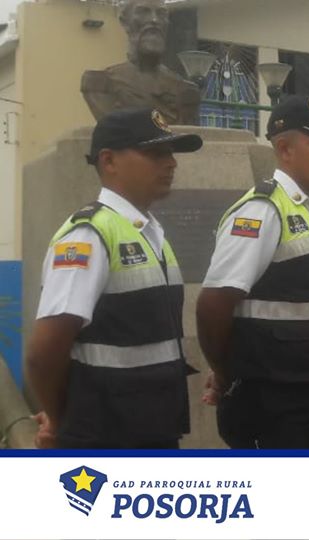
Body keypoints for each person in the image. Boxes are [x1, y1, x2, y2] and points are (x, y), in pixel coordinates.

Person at [26, 107, 203, 448]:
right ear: (109, 161)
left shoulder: (149, 232)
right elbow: (44, 352)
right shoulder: (88, 235)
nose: (171, 163)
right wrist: (61, 419)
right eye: (155, 153)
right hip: (106, 438)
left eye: (170, 153)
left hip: (154, 429)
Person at [196, 95, 309, 449]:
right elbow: (213, 304)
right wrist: (226, 373)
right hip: (271, 400)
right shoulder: (262, 210)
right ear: (284, 148)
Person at [81, 0, 200, 124]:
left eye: (161, 13)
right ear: (124, 22)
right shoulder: (99, 83)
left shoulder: (185, 90)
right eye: (143, 12)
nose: (154, 20)